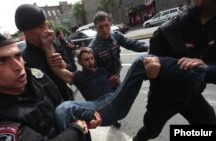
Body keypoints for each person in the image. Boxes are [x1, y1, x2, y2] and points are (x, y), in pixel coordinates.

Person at [39, 30, 207, 132]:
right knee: (63, 108)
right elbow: (57, 70)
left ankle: (202, 73)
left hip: (117, 102)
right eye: (86, 60)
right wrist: (48, 45)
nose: (90, 62)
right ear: (80, 63)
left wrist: (116, 84)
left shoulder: (104, 71)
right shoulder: (79, 77)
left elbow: (121, 89)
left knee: (142, 60)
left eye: (91, 58)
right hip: (98, 109)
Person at [0, 25, 101, 141]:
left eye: (17, 56)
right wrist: (77, 129)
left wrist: (85, 121)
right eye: (1, 61)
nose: (18, 66)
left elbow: (64, 107)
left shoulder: (37, 77)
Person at [134, 0, 216, 140]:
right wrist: (152, 72)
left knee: (208, 121)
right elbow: (148, 67)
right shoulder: (168, 30)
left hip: (191, 94)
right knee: (151, 131)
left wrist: (205, 63)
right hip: (164, 97)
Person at [15, 4, 74, 101]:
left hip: (69, 97)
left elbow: (73, 69)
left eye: (46, 25)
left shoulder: (55, 44)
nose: (46, 30)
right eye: (40, 27)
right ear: (26, 32)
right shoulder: (25, 60)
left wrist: (63, 64)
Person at [89, 11, 148, 90]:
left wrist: (149, 47)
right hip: (104, 83)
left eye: (106, 25)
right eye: (100, 27)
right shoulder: (92, 48)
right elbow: (91, 71)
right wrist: (106, 80)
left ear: (110, 24)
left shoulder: (116, 36)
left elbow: (131, 44)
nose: (104, 29)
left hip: (117, 75)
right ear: (95, 28)